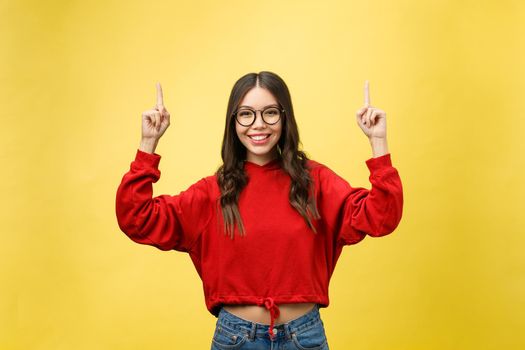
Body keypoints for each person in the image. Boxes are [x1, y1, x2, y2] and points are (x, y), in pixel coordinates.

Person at [115, 71, 403, 350]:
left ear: (284, 118)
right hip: (236, 339)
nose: (258, 124)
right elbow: (136, 219)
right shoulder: (211, 192)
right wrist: (148, 144)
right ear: (233, 122)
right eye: (246, 114)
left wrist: (378, 141)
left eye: (270, 113)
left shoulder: (317, 182)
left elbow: (382, 216)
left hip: (304, 337)